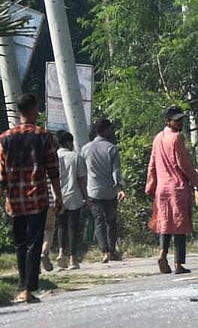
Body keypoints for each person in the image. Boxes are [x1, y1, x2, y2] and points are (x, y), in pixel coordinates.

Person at [0, 94, 64, 303]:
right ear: (33, 109)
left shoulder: (5, 138)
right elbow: (53, 170)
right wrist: (58, 195)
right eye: (38, 108)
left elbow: (1, 175)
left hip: (15, 200)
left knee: (20, 243)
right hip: (37, 198)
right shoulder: (43, 136)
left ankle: (21, 286)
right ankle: (28, 288)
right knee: (34, 242)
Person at [145, 105, 198, 274]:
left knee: (165, 224)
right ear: (168, 121)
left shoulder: (157, 138)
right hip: (177, 188)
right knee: (179, 226)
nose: (180, 123)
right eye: (177, 120)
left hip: (162, 189)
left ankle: (162, 254)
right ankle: (178, 264)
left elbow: (152, 164)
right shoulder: (177, 138)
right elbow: (183, 164)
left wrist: (150, 186)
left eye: (181, 120)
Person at [80, 117, 126, 263]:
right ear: (106, 130)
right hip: (109, 191)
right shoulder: (111, 148)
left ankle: (104, 251)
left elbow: (82, 171)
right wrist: (119, 188)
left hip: (92, 191)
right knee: (111, 221)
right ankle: (112, 251)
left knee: (98, 221)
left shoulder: (85, 149)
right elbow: (116, 172)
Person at [52, 131, 86, 269]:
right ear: (67, 142)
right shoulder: (75, 156)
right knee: (73, 228)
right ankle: (72, 258)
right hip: (74, 196)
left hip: (58, 196)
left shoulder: (54, 157)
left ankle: (60, 252)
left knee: (61, 226)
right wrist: (87, 197)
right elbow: (81, 179)